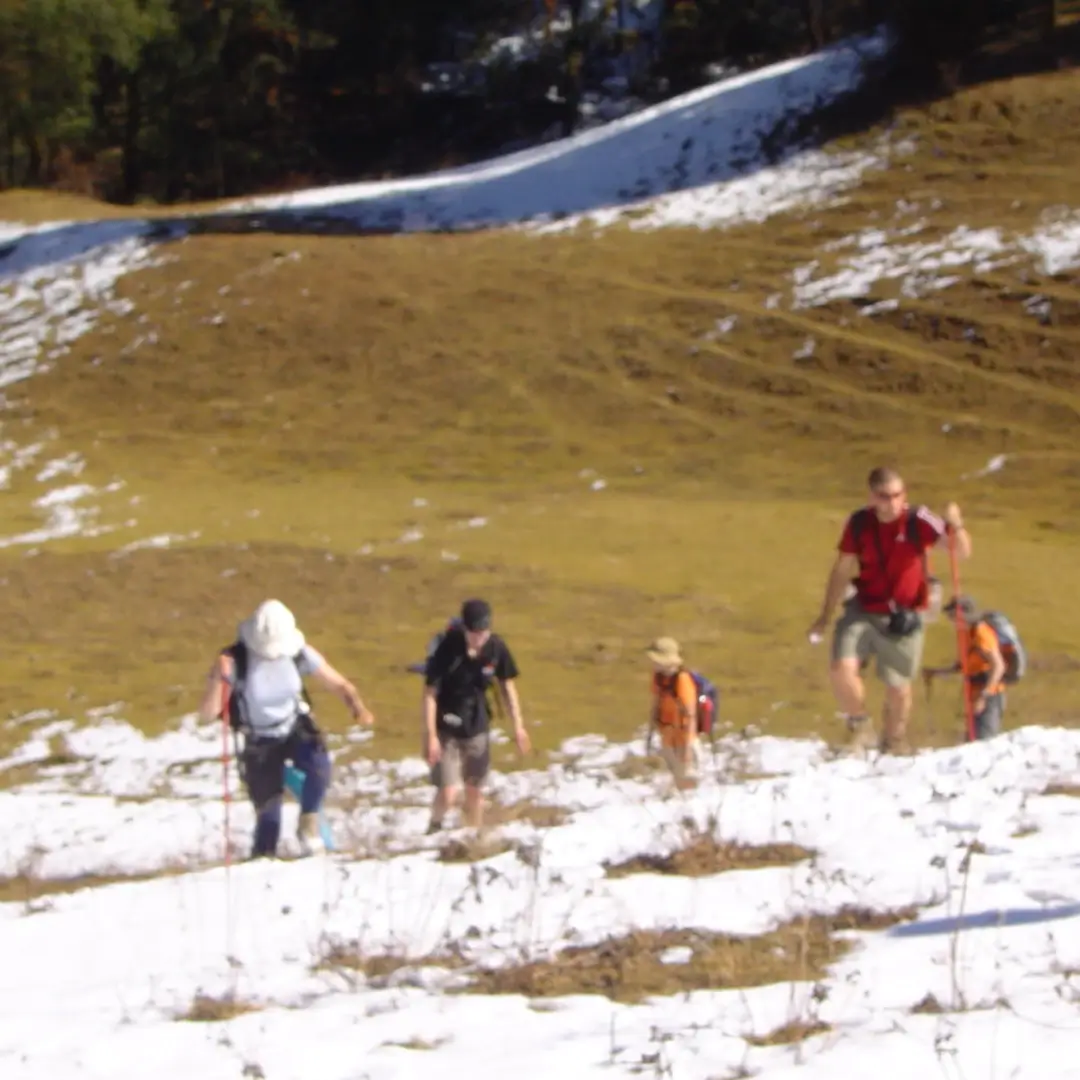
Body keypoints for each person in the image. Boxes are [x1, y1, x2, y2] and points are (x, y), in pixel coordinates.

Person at [806, 466, 972, 754]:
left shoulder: (918, 519)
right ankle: (861, 725)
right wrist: (825, 615)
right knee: (840, 667)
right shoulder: (860, 523)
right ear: (872, 497)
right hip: (864, 606)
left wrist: (956, 524)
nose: (893, 503)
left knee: (898, 686)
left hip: (906, 614)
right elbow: (842, 567)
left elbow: (960, 550)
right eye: (885, 496)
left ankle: (894, 740)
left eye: (898, 495)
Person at [198, 599, 374, 858]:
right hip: (258, 740)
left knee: (319, 767)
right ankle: (262, 862)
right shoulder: (236, 661)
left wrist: (357, 707)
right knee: (269, 817)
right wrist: (218, 678)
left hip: (294, 726)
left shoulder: (298, 653)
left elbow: (338, 683)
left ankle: (309, 821)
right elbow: (207, 714)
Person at [423, 598, 530, 833]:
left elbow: (507, 687)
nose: (479, 638)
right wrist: (431, 736)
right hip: (445, 726)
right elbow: (430, 693)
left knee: (475, 789)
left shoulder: (496, 648)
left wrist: (519, 727)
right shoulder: (448, 649)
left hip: (477, 725)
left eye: (484, 632)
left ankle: (474, 833)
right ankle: (434, 828)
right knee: (448, 791)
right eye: (474, 633)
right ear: (465, 629)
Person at [923, 595, 1007, 740]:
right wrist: (936, 672)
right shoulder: (967, 632)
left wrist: (984, 696)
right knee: (972, 741)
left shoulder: (981, 633)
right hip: (974, 693)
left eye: (952, 615)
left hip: (989, 695)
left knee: (984, 742)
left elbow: (998, 666)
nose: (950, 619)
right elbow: (963, 666)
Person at [645, 636, 701, 790]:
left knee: (688, 780)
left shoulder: (683, 681)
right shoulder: (659, 678)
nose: (653, 663)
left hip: (685, 740)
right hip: (668, 736)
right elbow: (655, 704)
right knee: (677, 778)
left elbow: (690, 716)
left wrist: (687, 752)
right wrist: (650, 733)